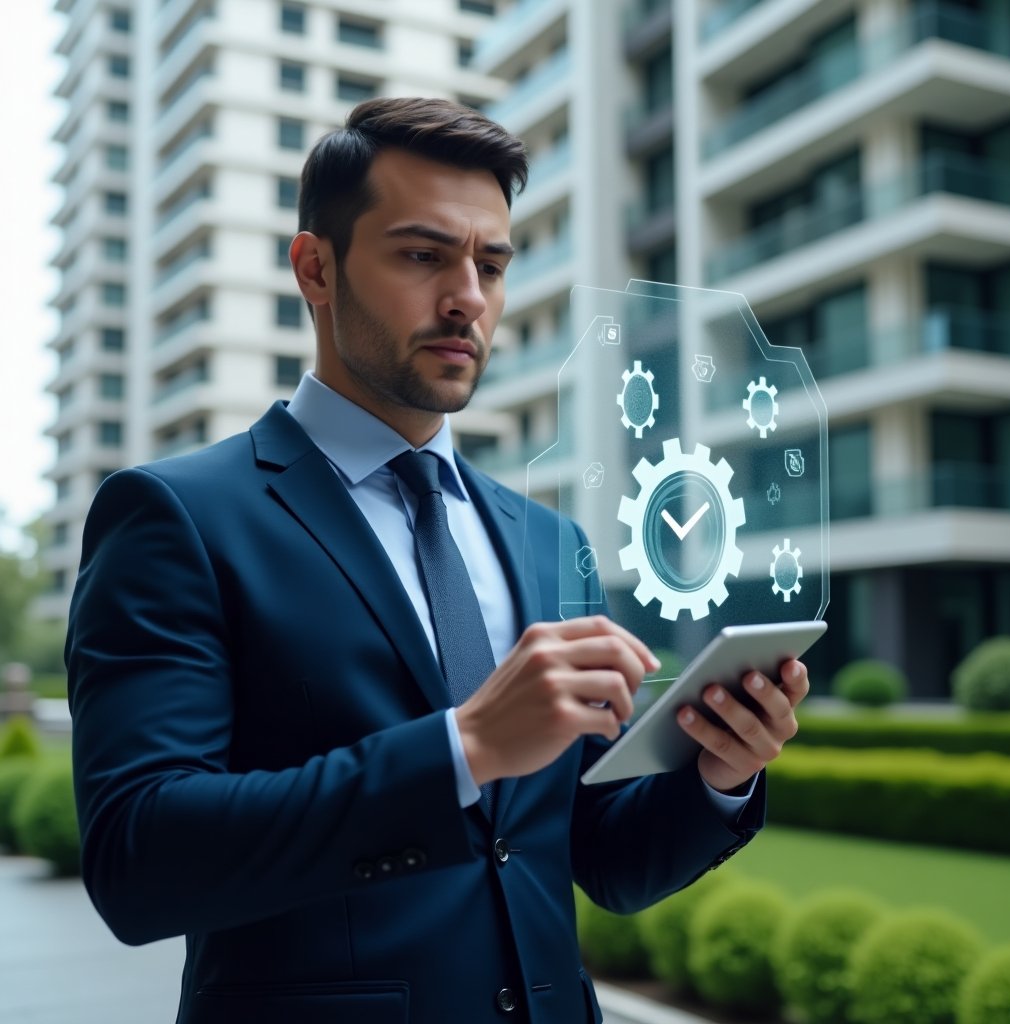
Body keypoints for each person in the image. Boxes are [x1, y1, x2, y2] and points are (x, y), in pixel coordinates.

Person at [66, 97, 809, 1024]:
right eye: (424, 256)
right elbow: (140, 859)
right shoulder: (177, 516)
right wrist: (462, 748)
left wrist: (717, 773)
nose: (468, 296)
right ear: (316, 269)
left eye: (490, 264)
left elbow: (596, 859)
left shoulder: (550, 545)